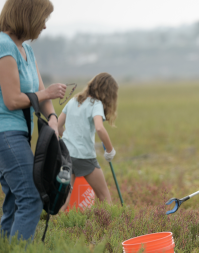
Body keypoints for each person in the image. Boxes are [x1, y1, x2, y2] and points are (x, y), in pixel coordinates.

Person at [0, 0, 68, 241]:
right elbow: (12, 100)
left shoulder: (26, 50)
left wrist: (51, 118)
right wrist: (46, 94)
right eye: (42, 19)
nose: (44, 27)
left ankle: (7, 246)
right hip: (5, 134)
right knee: (30, 197)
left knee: (14, 202)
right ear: (27, 15)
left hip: (19, 134)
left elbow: (40, 92)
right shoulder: (3, 46)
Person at [58, 73, 118, 212]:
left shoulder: (73, 101)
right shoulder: (96, 104)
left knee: (64, 199)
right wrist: (110, 150)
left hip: (66, 154)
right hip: (84, 157)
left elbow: (57, 126)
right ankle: (109, 226)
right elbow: (99, 128)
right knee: (104, 197)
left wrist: (70, 137)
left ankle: (54, 227)